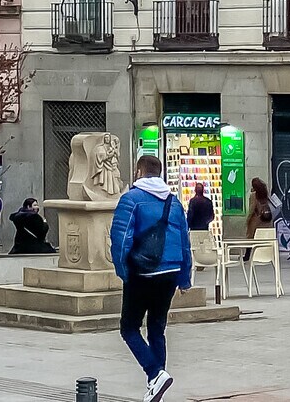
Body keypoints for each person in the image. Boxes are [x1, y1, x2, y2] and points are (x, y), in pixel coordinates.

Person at [110, 152, 192, 402]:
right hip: (170, 272)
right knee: (157, 329)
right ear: (159, 173)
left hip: (142, 273)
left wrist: (123, 272)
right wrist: (185, 277)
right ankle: (157, 387)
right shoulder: (175, 202)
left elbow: (120, 239)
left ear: (138, 172)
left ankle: (155, 374)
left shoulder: (131, 199)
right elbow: (185, 242)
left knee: (129, 328)